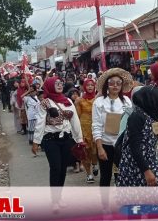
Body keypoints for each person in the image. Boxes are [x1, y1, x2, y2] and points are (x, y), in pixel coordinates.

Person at [32, 77, 83, 209]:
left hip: (66, 140)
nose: (60, 85)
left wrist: (79, 140)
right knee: (55, 168)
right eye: (56, 84)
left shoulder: (68, 102)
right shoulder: (45, 103)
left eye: (61, 83)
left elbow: (75, 121)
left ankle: (59, 197)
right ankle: (54, 201)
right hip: (51, 140)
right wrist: (36, 142)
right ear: (49, 85)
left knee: (63, 170)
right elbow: (40, 122)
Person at [92, 68, 133, 187]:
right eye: (112, 83)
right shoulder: (99, 102)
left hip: (122, 144)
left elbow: (130, 121)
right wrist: (100, 148)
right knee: (105, 176)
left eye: (118, 83)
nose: (115, 86)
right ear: (107, 85)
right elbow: (96, 126)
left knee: (122, 175)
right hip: (106, 145)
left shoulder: (126, 101)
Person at [116, 86, 158, 187]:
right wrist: (146, 171)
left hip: (150, 162)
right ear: (152, 100)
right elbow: (135, 148)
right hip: (136, 166)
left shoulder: (154, 114)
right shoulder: (137, 117)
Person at [74, 78, 99, 184]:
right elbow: (77, 117)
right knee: (85, 151)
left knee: (95, 150)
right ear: (84, 87)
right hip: (84, 128)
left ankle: (94, 164)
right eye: (88, 85)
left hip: (96, 127)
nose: (90, 87)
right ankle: (89, 174)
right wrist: (77, 132)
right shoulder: (79, 100)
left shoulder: (98, 99)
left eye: (92, 85)